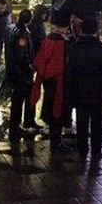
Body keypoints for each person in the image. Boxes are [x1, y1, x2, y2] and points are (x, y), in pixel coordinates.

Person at [64, 17, 102, 160]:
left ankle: (82, 150)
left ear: (82, 30)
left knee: (81, 123)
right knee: (97, 123)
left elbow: (69, 72)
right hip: (98, 93)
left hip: (80, 92)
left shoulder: (74, 49)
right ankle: (96, 150)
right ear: (96, 31)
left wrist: (69, 91)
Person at [30, 8, 72, 153]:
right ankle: (56, 142)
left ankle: (55, 140)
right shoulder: (65, 43)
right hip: (60, 82)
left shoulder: (48, 39)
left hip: (48, 81)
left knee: (51, 108)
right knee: (58, 112)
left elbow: (40, 60)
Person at [5, 9, 37, 141]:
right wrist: (29, 65)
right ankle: (16, 126)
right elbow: (21, 52)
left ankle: (25, 122)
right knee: (19, 99)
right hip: (22, 73)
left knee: (22, 98)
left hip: (17, 71)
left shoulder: (13, 29)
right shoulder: (22, 33)